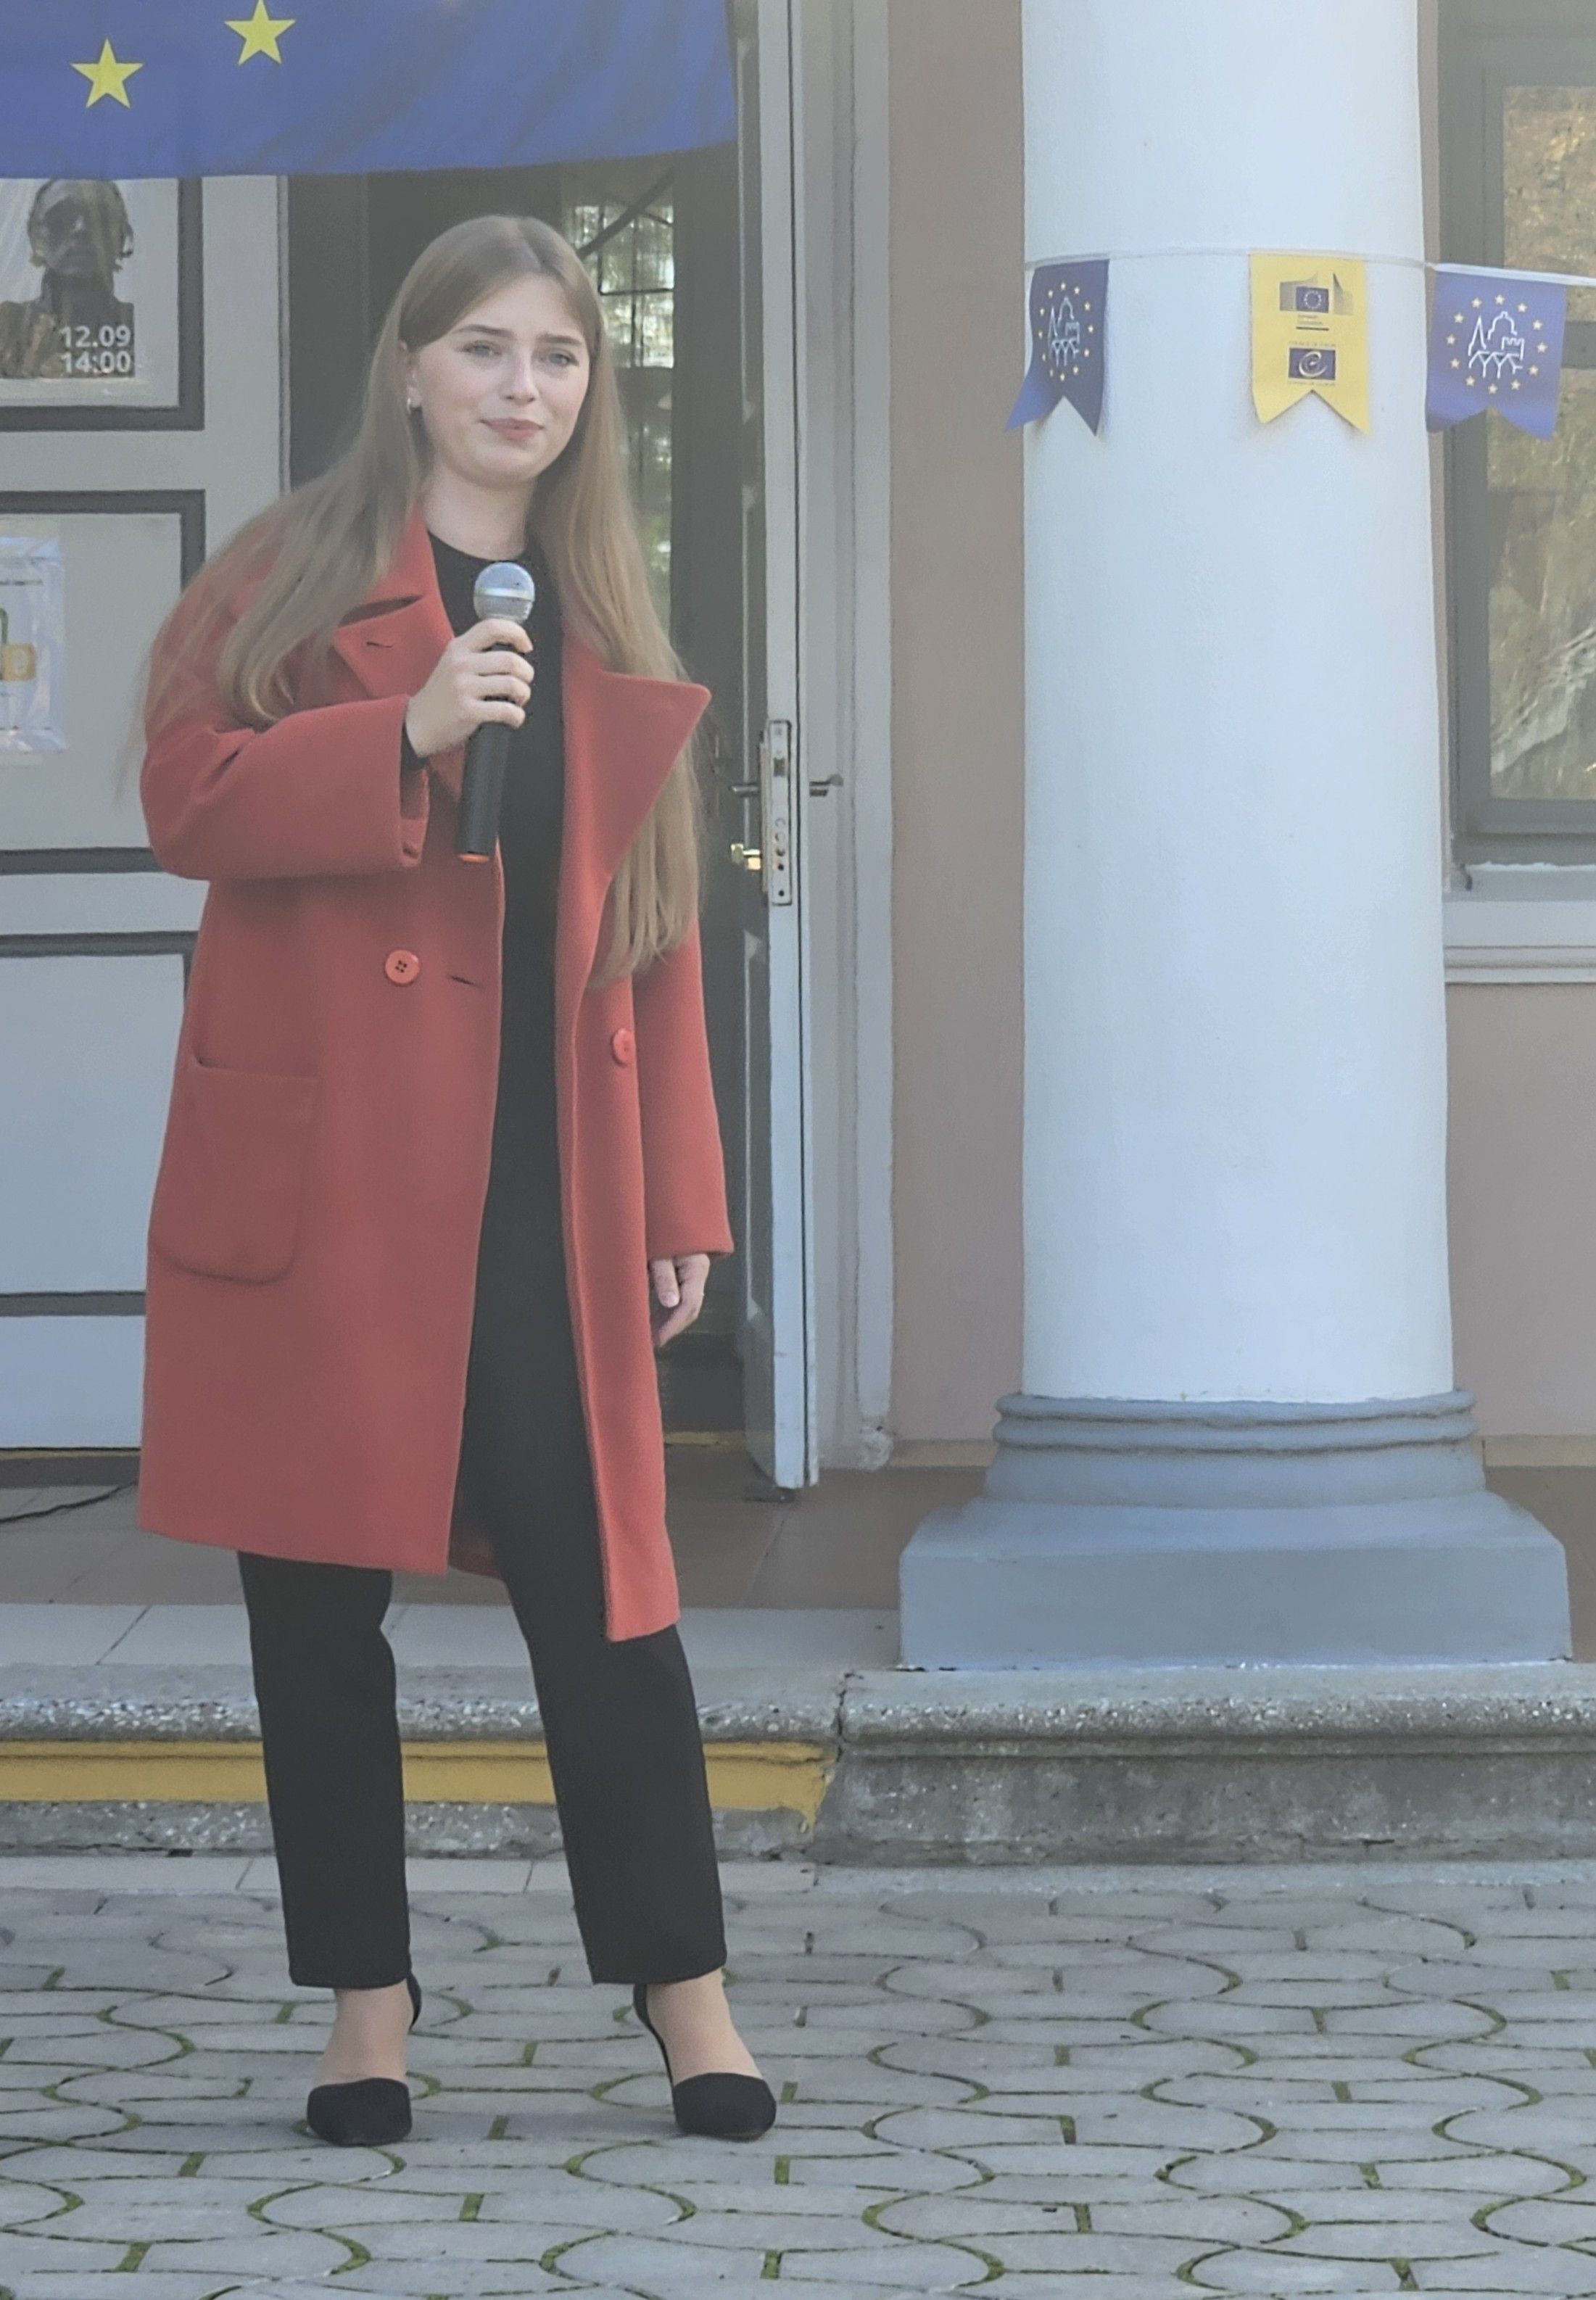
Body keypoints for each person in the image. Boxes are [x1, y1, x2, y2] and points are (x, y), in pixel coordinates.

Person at [136, 214, 774, 2148]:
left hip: (543, 1190)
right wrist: (398, 735)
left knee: (607, 1592)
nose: (523, 386)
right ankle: (368, 2004)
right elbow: (180, 798)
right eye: (486, 347)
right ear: (409, 369)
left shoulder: (603, 615)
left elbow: (649, 938)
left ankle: (686, 1990)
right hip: (329, 1179)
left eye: (558, 356)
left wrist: (681, 1195)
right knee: (316, 1609)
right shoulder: (280, 577)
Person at [0, 180, 136, 380]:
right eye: (61, 217)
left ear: (122, 238)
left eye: (100, 219)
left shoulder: (144, 330)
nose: (81, 228)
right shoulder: (7, 328)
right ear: (36, 237)